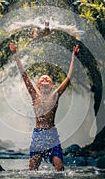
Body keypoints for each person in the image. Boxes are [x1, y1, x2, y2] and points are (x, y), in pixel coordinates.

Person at [9, 42, 79, 171]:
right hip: (38, 135)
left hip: (52, 134)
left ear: (52, 85)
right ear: (38, 85)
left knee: (59, 166)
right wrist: (15, 54)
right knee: (32, 168)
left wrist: (73, 56)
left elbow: (69, 78)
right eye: (42, 79)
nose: (45, 80)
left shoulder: (55, 95)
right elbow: (24, 75)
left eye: (48, 79)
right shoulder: (35, 95)